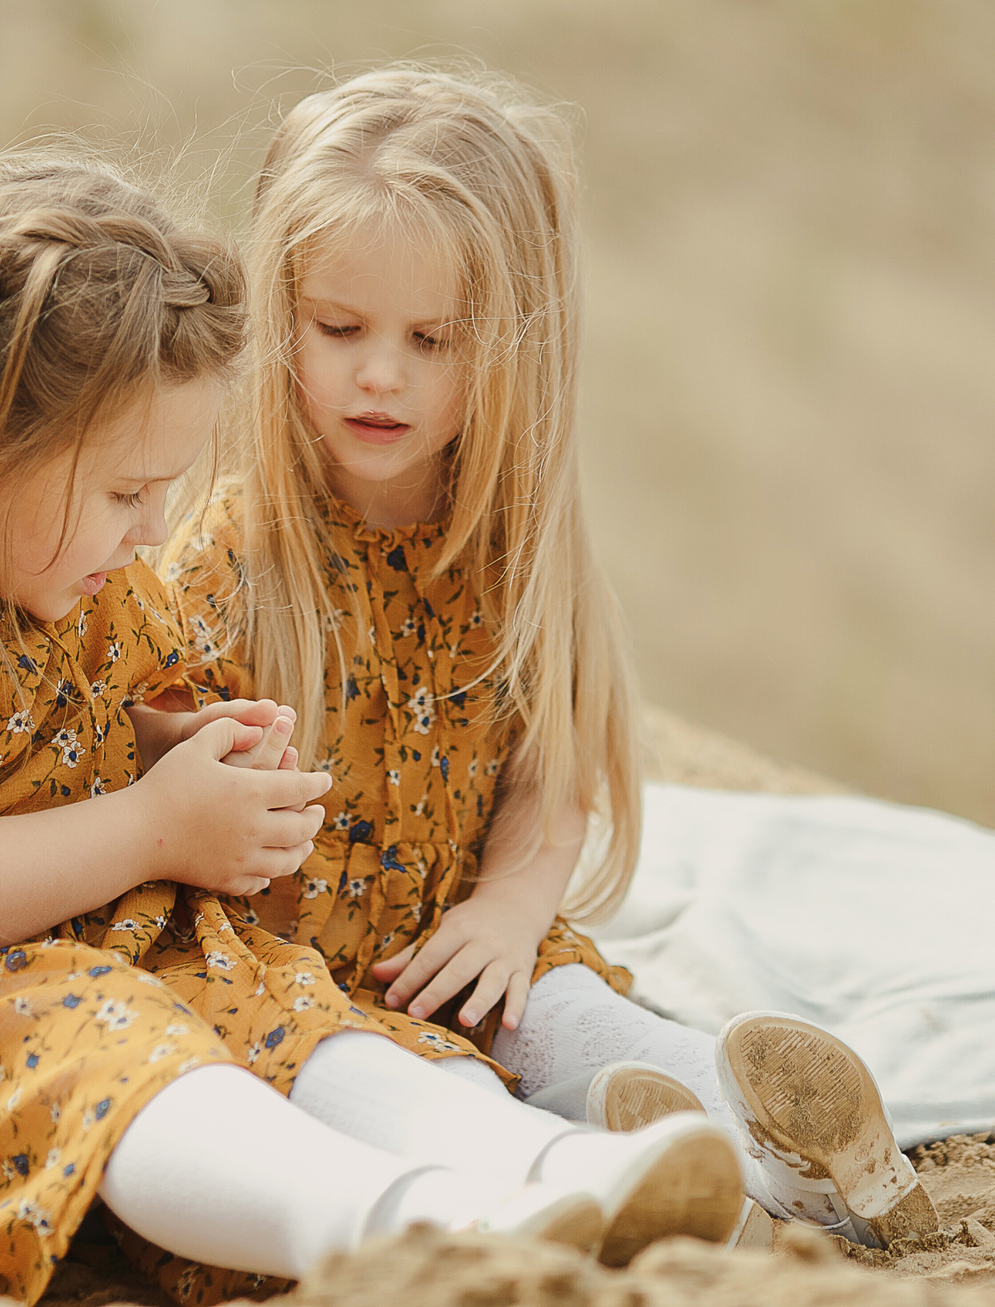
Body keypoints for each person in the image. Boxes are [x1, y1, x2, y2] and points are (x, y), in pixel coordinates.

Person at [0, 150, 750, 1307]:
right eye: (129, 491)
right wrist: (146, 827)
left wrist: (189, 761)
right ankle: (418, 1225)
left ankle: (547, 1169)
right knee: (111, 1030)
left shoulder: (93, 583)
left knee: (273, 1003)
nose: (151, 532)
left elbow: (63, 743)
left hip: (72, 966)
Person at [162, 68, 936, 1248]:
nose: (381, 373)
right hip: (302, 982)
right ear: (280, 315)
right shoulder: (234, 551)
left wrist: (515, 904)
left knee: (572, 1015)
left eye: (433, 340)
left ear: (514, 342)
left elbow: (550, 769)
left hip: (466, 938)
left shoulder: (507, 543)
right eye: (340, 329)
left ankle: (786, 1148)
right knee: (450, 1092)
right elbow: (141, 743)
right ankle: (631, 1179)